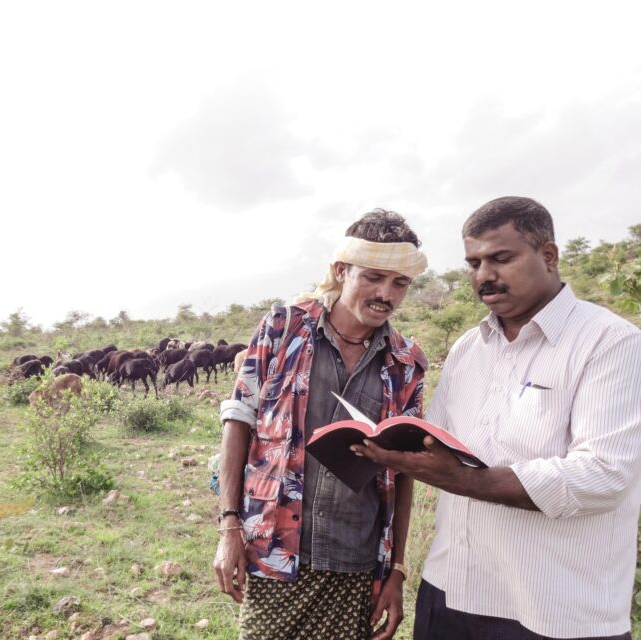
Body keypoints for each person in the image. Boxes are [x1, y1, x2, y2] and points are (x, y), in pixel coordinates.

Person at [354, 196, 641, 639]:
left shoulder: (610, 343)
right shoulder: (469, 348)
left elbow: (603, 476)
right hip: (451, 590)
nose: (484, 275)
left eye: (500, 258)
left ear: (549, 256)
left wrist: (465, 480)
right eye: (473, 263)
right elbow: (439, 443)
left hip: (554, 608)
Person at [215, 208, 430, 640]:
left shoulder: (406, 363)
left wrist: (397, 571)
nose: (386, 294)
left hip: (356, 560)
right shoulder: (284, 328)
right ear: (340, 270)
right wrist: (229, 526)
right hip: (274, 552)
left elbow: (404, 471)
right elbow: (239, 419)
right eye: (373, 277)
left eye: (399, 283)